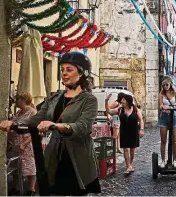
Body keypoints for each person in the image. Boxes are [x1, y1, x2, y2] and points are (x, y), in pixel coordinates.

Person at [0, 52, 101, 196]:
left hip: (77, 155)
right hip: (54, 152)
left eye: (69, 69)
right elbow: (36, 118)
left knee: (76, 191)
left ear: (82, 74)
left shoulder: (89, 100)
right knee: (53, 190)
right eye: (62, 70)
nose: (64, 73)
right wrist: (14, 123)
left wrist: (56, 125)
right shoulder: (54, 97)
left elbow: (83, 126)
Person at [105, 93, 144, 175]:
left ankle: (130, 164)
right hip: (124, 131)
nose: (121, 102)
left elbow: (141, 120)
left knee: (132, 149)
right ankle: (128, 167)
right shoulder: (120, 109)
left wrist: (141, 129)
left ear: (128, 101)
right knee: (126, 149)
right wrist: (106, 101)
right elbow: (109, 111)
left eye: (123, 100)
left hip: (134, 131)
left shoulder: (136, 109)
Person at [8, 92, 37, 196]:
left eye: (18, 99)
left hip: (27, 141)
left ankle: (31, 189)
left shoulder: (32, 112)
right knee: (17, 165)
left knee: (29, 165)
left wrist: (25, 143)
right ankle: (16, 187)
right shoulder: (19, 112)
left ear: (24, 100)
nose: (16, 101)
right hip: (16, 141)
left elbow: (35, 131)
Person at [158, 76, 176, 168]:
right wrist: (162, 107)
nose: (165, 86)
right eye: (163, 85)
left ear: (170, 84)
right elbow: (160, 104)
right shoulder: (161, 94)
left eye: (167, 84)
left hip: (174, 117)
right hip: (164, 117)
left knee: (175, 141)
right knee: (163, 140)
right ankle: (163, 160)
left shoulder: (175, 92)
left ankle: (175, 160)